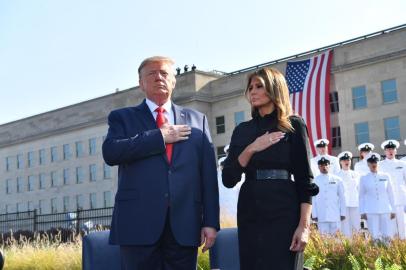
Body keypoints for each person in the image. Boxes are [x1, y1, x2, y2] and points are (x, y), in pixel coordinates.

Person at [102, 56, 219, 270]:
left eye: (164, 73)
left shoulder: (197, 120)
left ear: (174, 81)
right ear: (141, 83)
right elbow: (111, 152)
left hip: (184, 225)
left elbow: (208, 176)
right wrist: (158, 137)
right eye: (151, 74)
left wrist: (210, 222)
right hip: (137, 226)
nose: (158, 77)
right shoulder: (122, 118)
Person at [222, 67, 319, 270]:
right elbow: (228, 179)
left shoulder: (293, 125)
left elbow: (304, 180)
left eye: (259, 86)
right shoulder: (242, 130)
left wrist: (304, 226)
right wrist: (251, 148)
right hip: (250, 208)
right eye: (250, 88)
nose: (253, 92)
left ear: (274, 89)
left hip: (284, 208)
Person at [359, 153, 396, 240]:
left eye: (375, 162)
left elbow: (391, 194)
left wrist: (393, 209)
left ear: (378, 163)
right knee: (374, 235)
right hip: (371, 210)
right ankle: (375, 252)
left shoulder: (386, 176)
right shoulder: (364, 178)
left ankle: (387, 252)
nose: (373, 164)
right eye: (371, 162)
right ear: (368, 164)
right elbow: (361, 196)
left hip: (385, 209)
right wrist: (362, 211)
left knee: (387, 235)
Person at [379, 140, 406, 239]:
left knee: (403, 226)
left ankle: (403, 248)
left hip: (401, 200)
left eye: (392, 149)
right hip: (388, 202)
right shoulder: (380, 165)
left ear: (396, 151)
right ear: (385, 151)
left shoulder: (402, 164)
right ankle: (392, 250)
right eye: (388, 149)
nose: (390, 151)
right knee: (391, 228)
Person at [312, 157, 346, 235]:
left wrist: (343, 213)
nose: (324, 167)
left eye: (326, 165)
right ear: (318, 167)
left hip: (335, 214)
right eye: (321, 165)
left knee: (337, 239)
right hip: (321, 215)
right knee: (324, 238)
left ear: (329, 166)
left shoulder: (337, 179)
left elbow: (342, 197)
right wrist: (314, 214)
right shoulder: (315, 180)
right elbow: (313, 198)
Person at [336, 151, 361, 237]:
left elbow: (359, 190)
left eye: (348, 160)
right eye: (344, 160)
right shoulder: (336, 176)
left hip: (355, 204)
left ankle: (357, 247)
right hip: (343, 205)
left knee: (356, 227)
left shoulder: (356, 174)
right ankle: (347, 247)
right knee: (345, 228)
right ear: (340, 162)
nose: (346, 162)